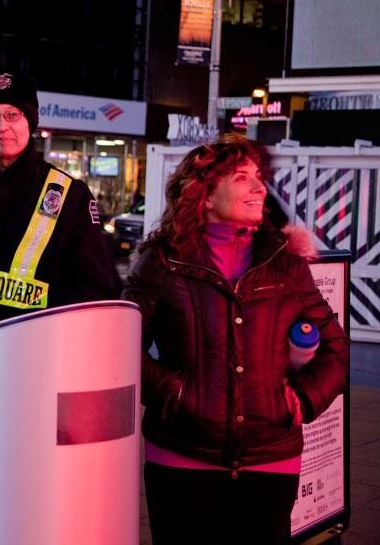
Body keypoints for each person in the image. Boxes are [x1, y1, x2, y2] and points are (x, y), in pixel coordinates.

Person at [121, 134, 350, 544]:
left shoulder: (286, 264)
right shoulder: (161, 261)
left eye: (259, 177)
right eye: (243, 178)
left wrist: (303, 399)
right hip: (180, 454)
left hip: (271, 457)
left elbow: (336, 346)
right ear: (205, 195)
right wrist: (174, 392)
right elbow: (118, 345)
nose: (260, 187)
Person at [0, 71, 121, 326]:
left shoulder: (71, 198)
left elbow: (94, 295)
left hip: (32, 352)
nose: (1, 126)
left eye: (12, 115)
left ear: (31, 122)